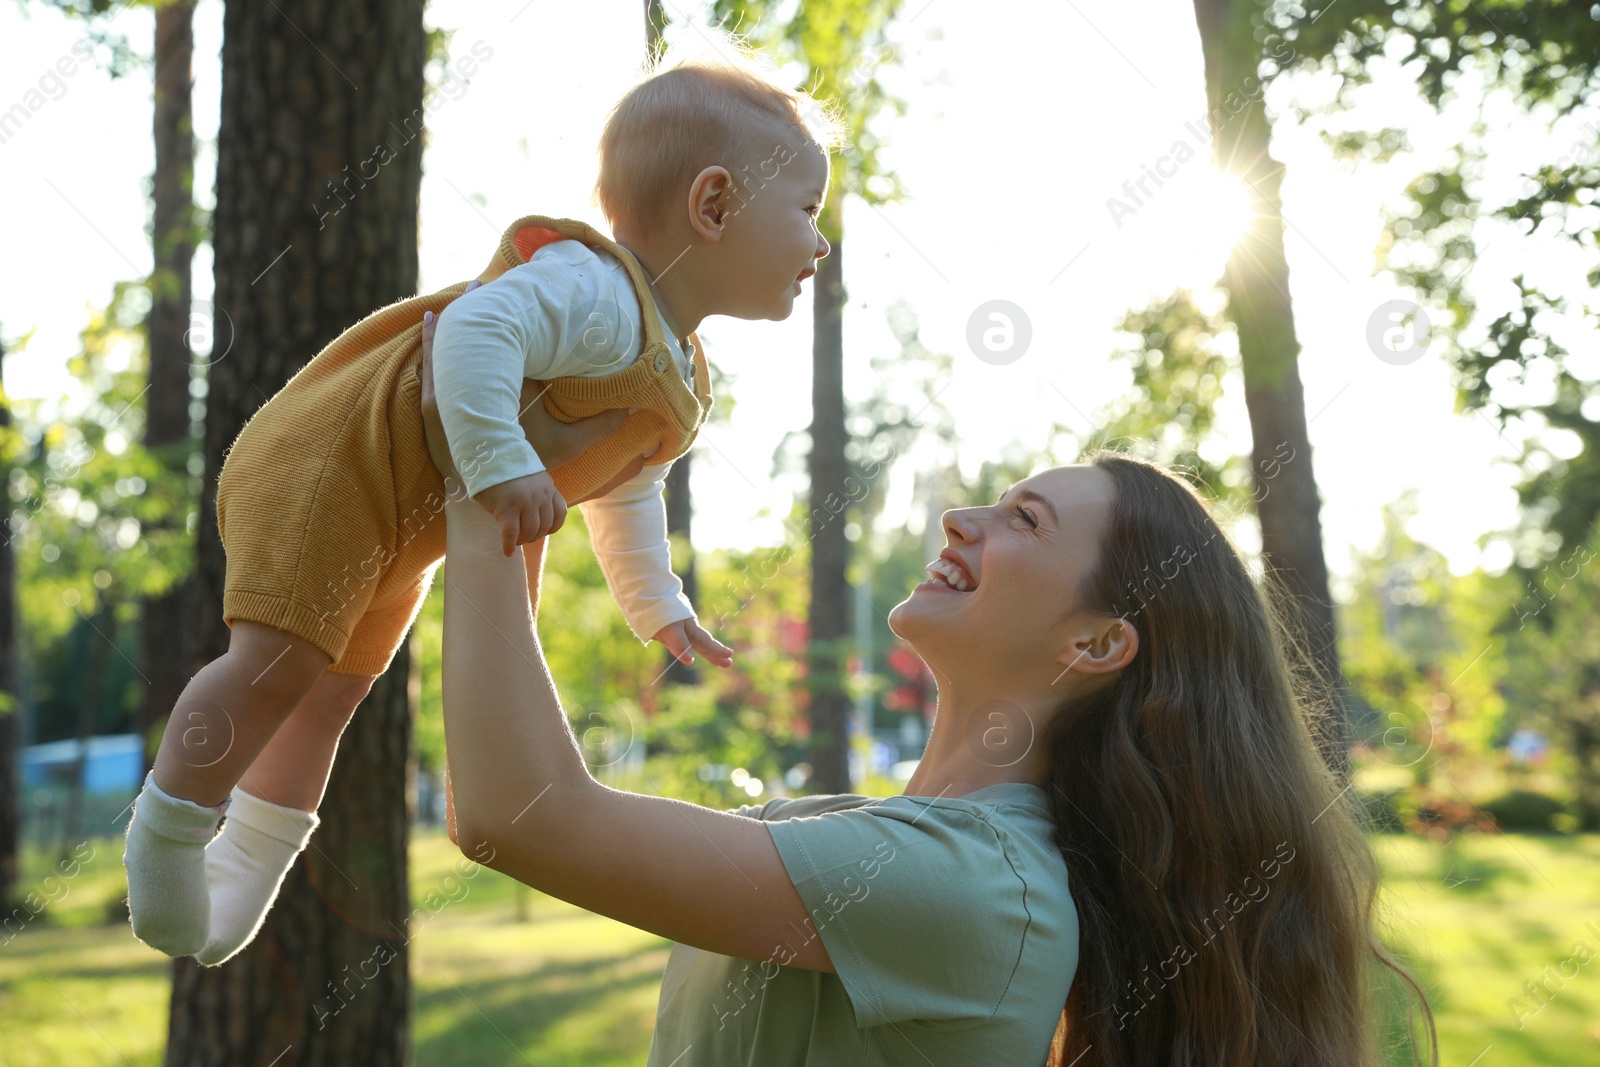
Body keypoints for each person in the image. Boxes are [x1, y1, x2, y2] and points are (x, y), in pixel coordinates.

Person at [420, 329, 1438, 1065]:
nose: (960, 517)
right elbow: (511, 798)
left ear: (1095, 641)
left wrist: (486, 471)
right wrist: (517, 488)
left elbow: (522, 818)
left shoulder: (977, 885)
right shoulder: (893, 842)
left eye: (1022, 518)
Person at [121, 45, 838, 966]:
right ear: (713, 206)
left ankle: (239, 882)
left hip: (399, 513)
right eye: (807, 211)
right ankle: (169, 831)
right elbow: (473, 327)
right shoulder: (595, 292)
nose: (820, 242)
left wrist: (657, 602)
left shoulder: (678, 364)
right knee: (277, 660)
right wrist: (501, 465)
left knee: (334, 690)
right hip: (333, 457)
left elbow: (629, 486)